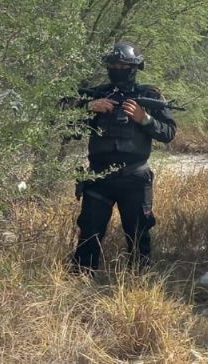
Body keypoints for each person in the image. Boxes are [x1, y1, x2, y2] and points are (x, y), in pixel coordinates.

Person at [71, 42, 176, 273]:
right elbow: (66, 128)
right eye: (114, 65)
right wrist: (88, 108)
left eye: (124, 65)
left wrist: (144, 118)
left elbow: (168, 133)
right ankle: (79, 280)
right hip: (99, 177)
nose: (118, 68)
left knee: (139, 235)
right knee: (89, 234)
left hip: (134, 177)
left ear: (134, 67)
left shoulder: (149, 96)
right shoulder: (96, 94)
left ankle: (139, 283)